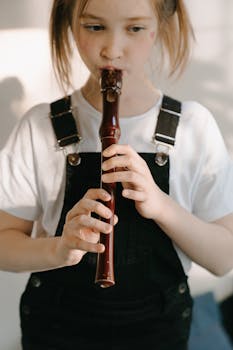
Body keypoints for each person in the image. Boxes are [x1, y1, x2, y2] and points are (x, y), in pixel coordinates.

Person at [0, 0, 233, 349]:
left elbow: (223, 259)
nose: (112, 49)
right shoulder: (40, 126)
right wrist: (59, 248)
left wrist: (161, 206)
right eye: (94, 27)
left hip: (159, 331)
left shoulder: (193, 127)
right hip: (57, 329)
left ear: (161, 26)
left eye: (135, 28)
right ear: (70, 25)